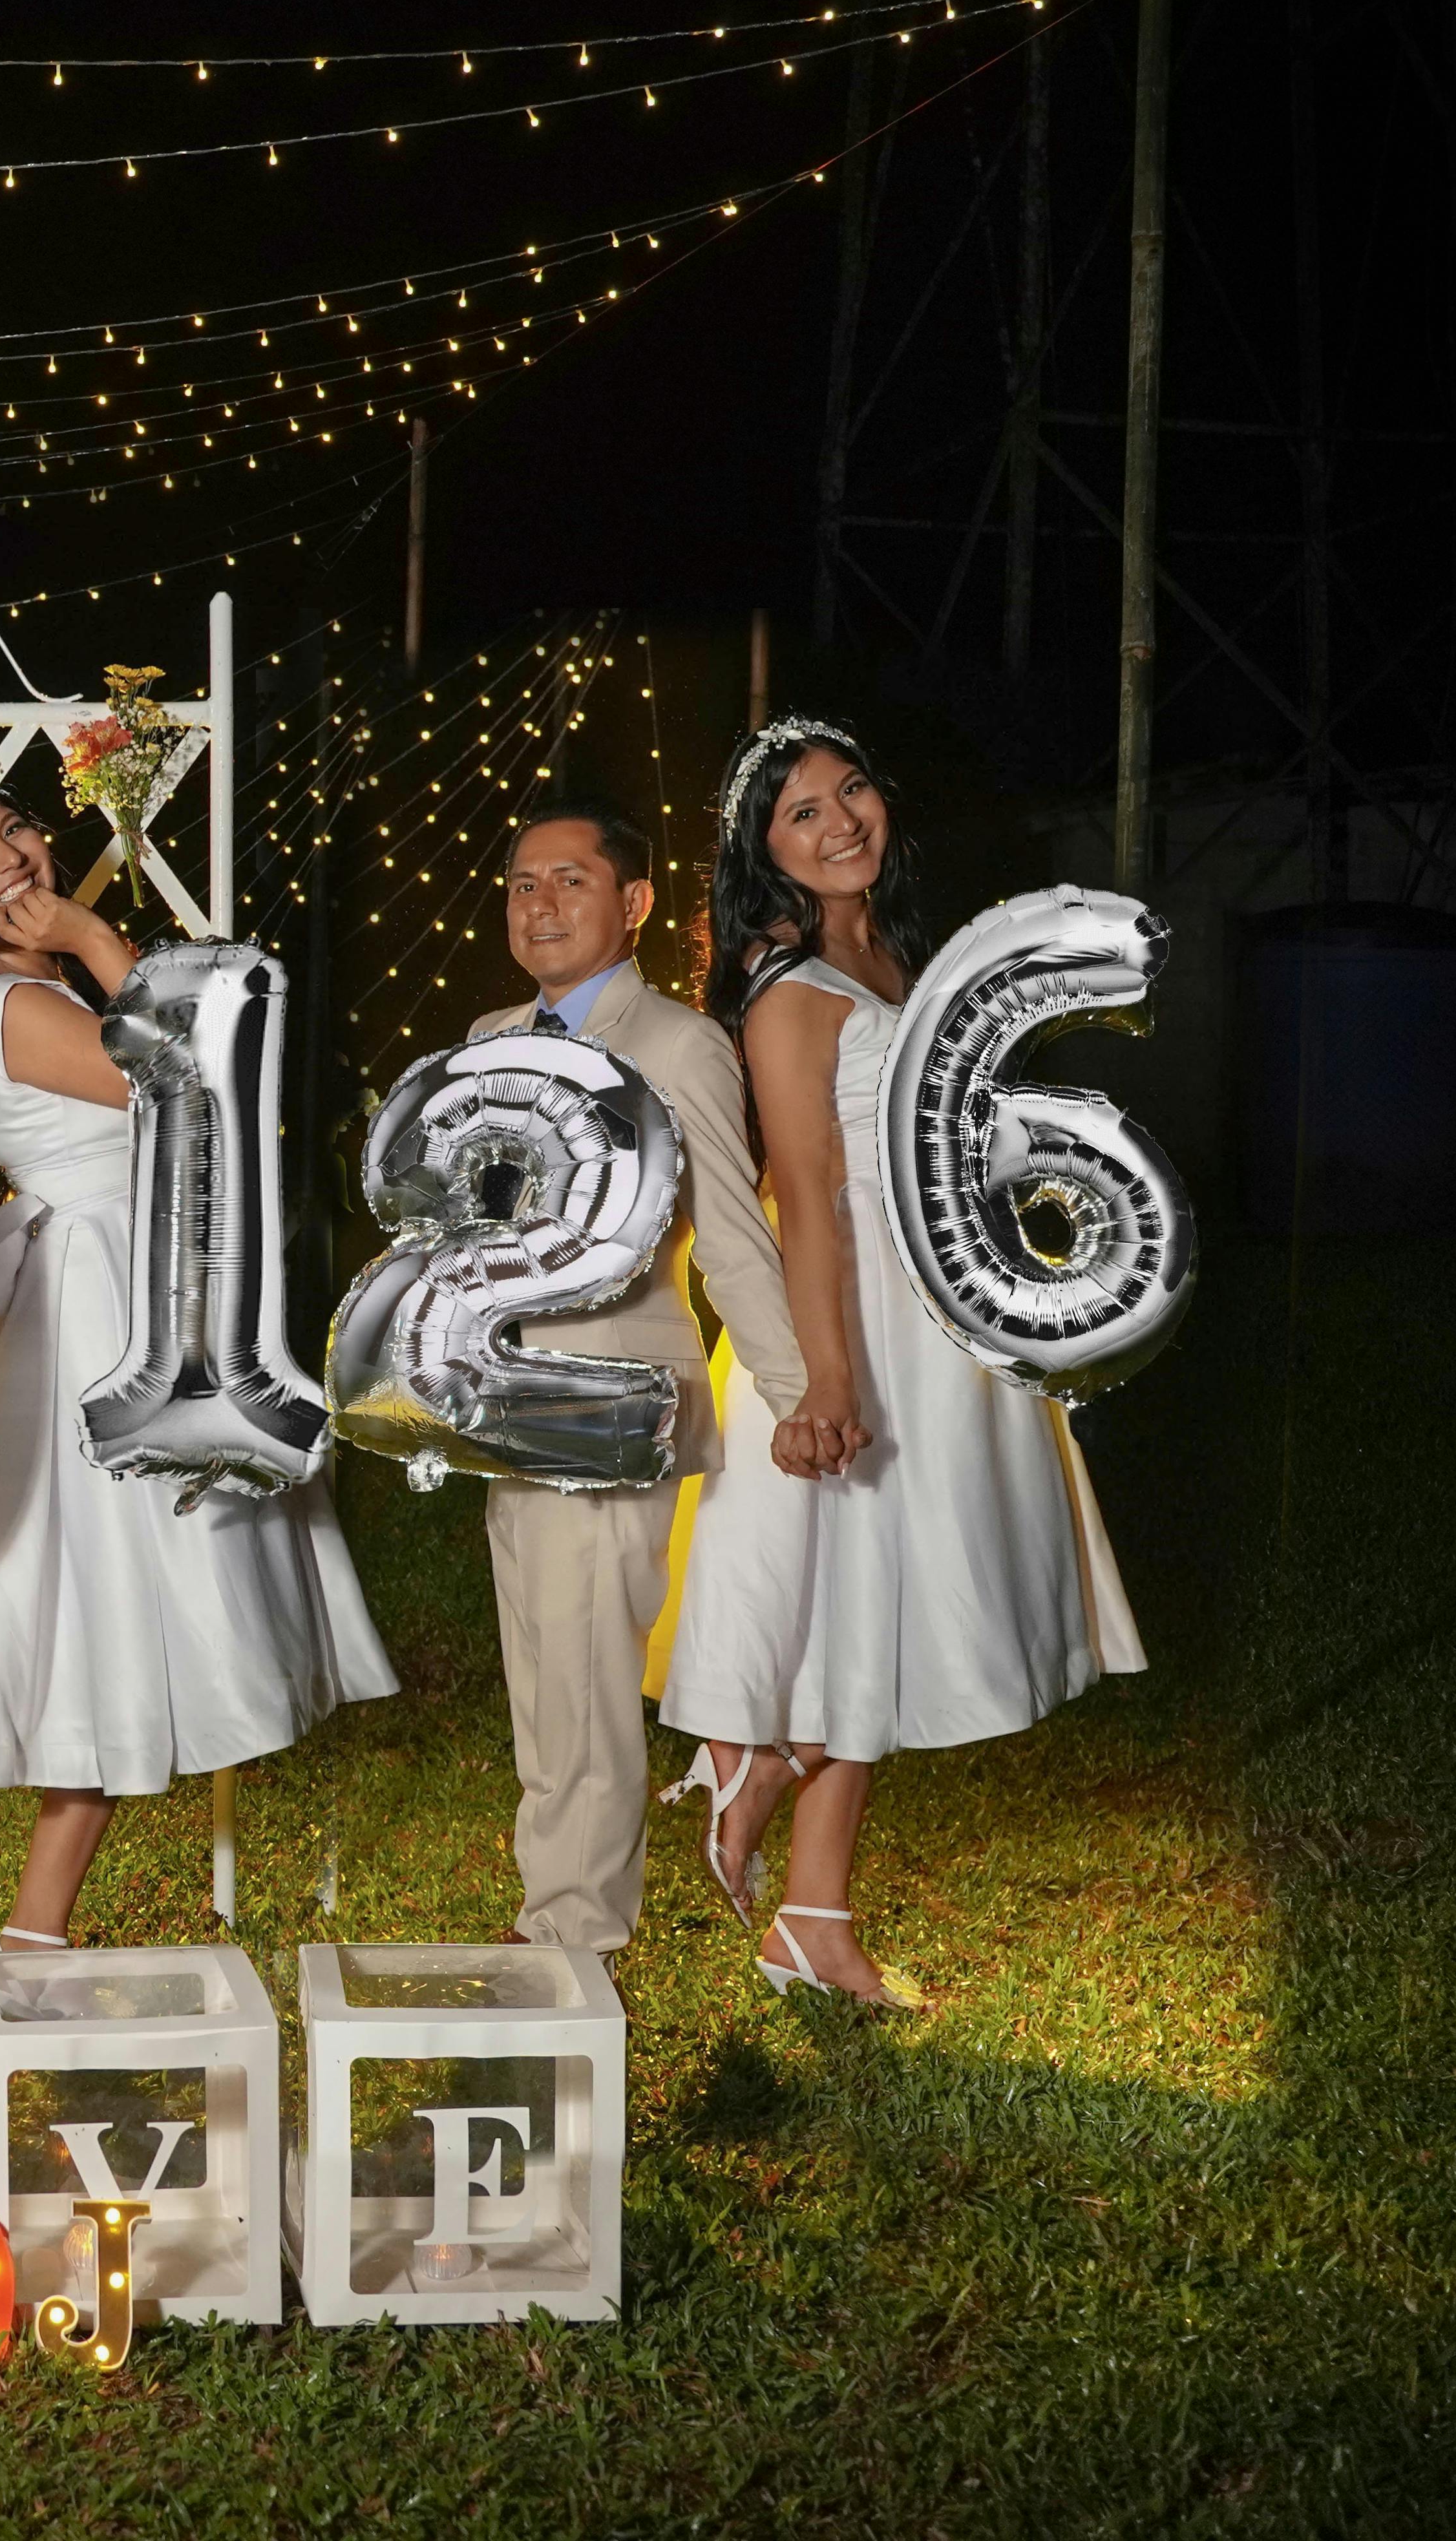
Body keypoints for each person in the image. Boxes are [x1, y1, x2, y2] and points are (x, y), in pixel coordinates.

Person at [659, 717, 1143, 2008]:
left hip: (941, 1306)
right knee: (852, 1602)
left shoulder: (894, 953)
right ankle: (755, 1757)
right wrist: (825, 1376)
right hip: (857, 1309)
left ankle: (811, 1915)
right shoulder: (784, 981)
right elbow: (804, 1190)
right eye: (801, 812)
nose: (839, 822)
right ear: (762, 853)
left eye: (851, 789)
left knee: (886, 1607)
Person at [0, 785, 394, 1953]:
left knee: (107, 1594)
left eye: (14, 831)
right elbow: (200, 1078)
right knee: (117, 1585)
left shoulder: (26, 987)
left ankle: (31, 1918)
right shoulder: (8, 996)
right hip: (109, 1307)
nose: (9, 857)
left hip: (124, 1278)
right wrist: (98, 939)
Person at [457, 802, 812, 1962]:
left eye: (568, 879)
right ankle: (550, 1926)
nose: (539, 902)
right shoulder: (491, 1032)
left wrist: (797, 1392)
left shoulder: (674, 1045)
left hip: (614, 1404)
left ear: (634, 904)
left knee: (587, 1691)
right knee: (544, 1690)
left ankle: (573, 1945)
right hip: (510, 1405)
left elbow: (730, 1239)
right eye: (520, 883)